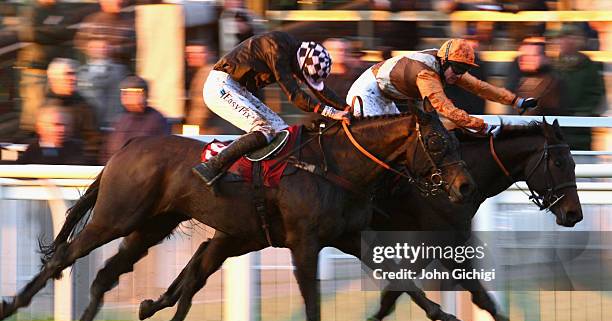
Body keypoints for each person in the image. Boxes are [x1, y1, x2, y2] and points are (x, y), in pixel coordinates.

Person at [192, 31, 350, 187]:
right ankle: (211, 166)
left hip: (240, 89)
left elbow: (320, 91)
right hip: (221, 86)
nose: (300, 80)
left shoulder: (299, 54)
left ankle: (263, 174)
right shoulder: (277, 49)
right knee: (264, 130)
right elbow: (295, 95)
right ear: (299, 66)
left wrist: (348, 108)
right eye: (301, 77)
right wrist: (331, 112)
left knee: (283, 132)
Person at [346, 38, 537, 134]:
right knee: (384, 140)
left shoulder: (449, 67)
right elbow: (445, 109)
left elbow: (480, 87)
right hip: (367, 93)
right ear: (444, 61)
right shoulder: (426, 74)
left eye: (464, 69)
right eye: (458, 68)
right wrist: (483, 127)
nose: (459, 74)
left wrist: (517, 101)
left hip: (386, 94)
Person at [17, 0, 78, 134]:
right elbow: (31, 34)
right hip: (37, 67)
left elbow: (69, 32)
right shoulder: (31, 10)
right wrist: (56, 32)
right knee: (34, 111)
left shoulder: (62, 9)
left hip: (58, 69)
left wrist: (46, 30)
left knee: (54, 112)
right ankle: (30, 142)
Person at [552, 24, 606, 150]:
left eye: (571, 37)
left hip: (580, 130)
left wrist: (583, 114)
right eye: (563, 37)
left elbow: (596, 93)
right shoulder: (553, 66)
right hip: (556, 127)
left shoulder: (589, 66)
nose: (567, 41)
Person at [45, 58, 102, 164]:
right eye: (68, 74)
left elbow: (94, 141)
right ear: (54, 78)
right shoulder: (42, 105)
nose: (74, 78)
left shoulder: (85, 107)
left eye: (75, 74)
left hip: (75, 165)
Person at [103, 76, 170, 161]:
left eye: (132, 93)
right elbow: (107, 150)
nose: (126, 97)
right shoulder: (120, 119)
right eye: (124, 93)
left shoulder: (156, 120)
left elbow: (161, 153)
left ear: (144, 95)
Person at [77, 37, 129, 131]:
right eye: (94, 47)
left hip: (111, 121)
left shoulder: (120, 71)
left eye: (103, 47)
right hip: (87, 123)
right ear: (87, 50)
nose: (99, 50)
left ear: (110, 49)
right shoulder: (80, 72)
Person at [506, 37, 565, 116]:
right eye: (524, 55)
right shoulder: (520, 80)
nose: (525, 59)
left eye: (534, 55)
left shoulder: (552, 83)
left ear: (545, 58)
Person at [74, 0, 136, 68]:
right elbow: (79, 41)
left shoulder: (129, 22)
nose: (119, 1)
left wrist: (113, 49)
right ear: (103, 2)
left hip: (120, 68)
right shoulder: (92, 20)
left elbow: (134, 45)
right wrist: (92, 47)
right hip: (94, 68)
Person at [17, 105, 85, 165]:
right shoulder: (33, 149)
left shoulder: (74, 148)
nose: (63, 130)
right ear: (40, 128)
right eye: (56, 125)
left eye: (67, 125)